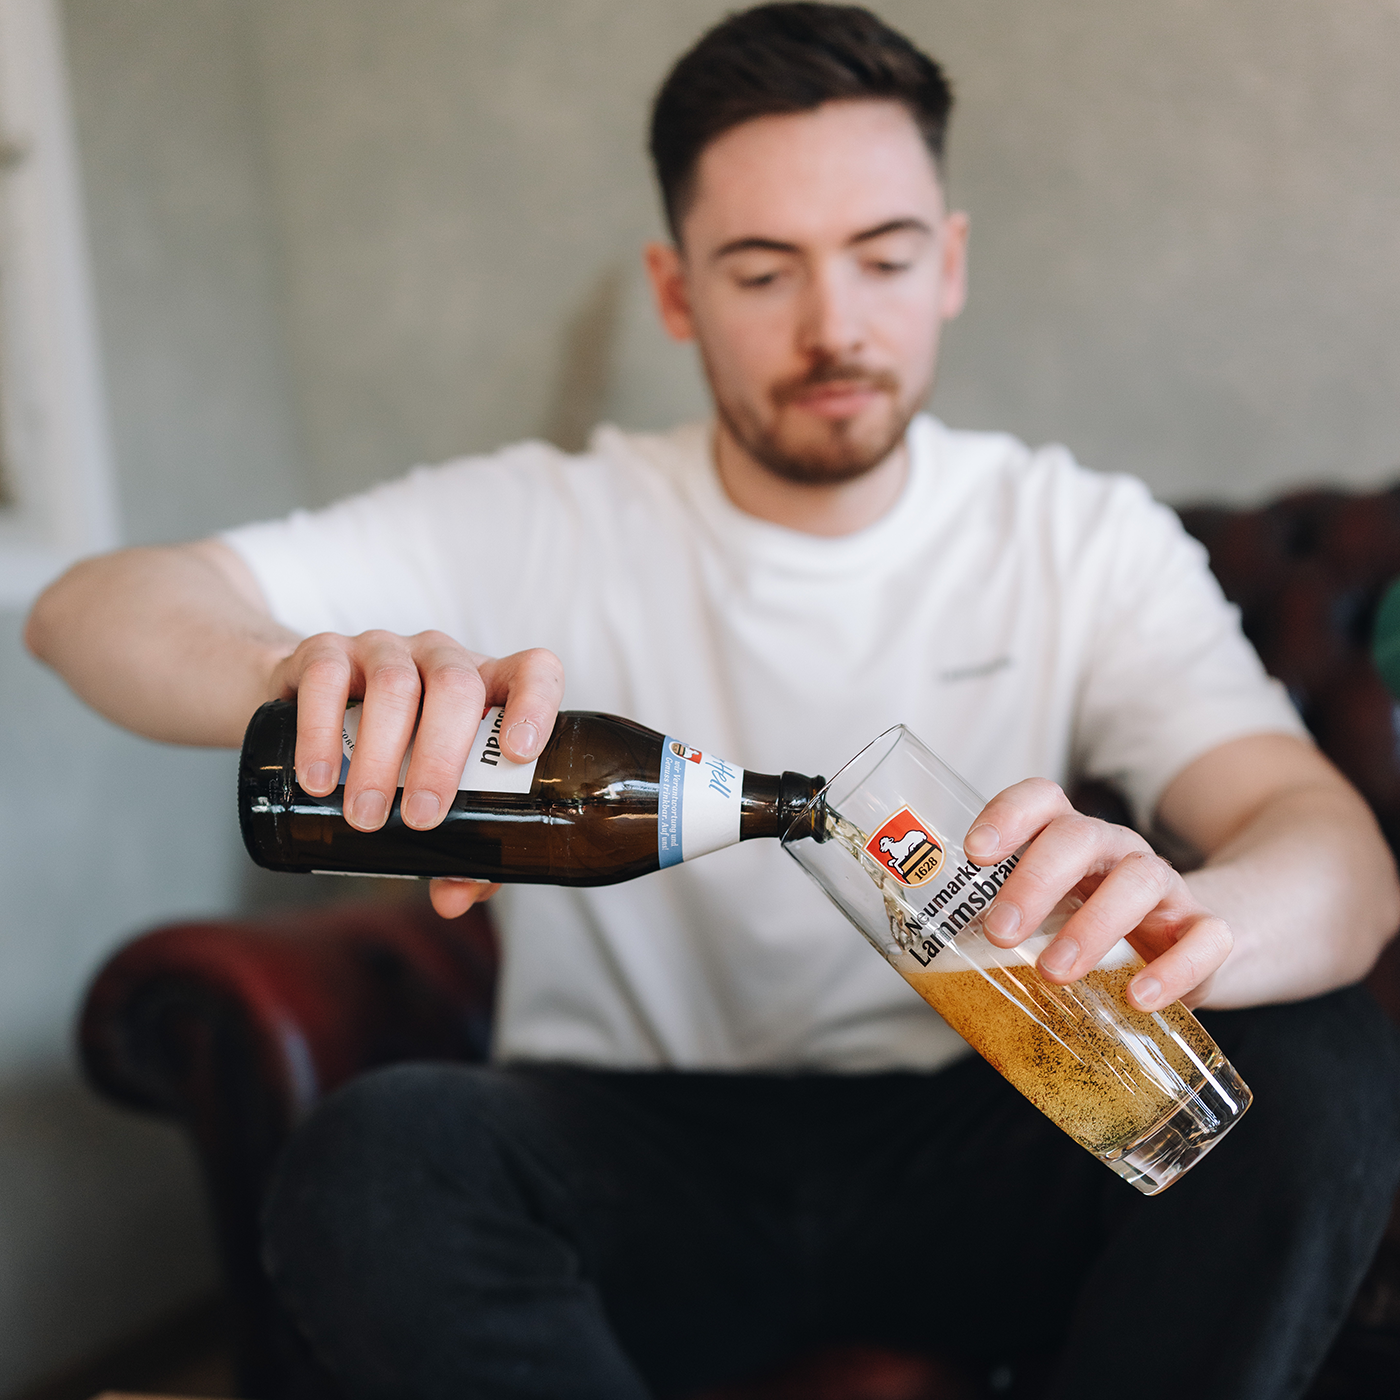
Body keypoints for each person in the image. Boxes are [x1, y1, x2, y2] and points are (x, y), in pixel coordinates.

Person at [25, 5, 1400, 1397]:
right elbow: (84, 611)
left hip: (982, 1137)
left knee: (1316, 1063)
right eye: (762, 270)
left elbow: (1329, 850)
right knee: (379, 1159)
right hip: (631, 1161)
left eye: (883, 258)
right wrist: (291, 675)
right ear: (676, 292)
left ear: (949, 265)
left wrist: (1182, 935)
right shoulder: (540, 520)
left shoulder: (1078, 537)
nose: (833, 327)